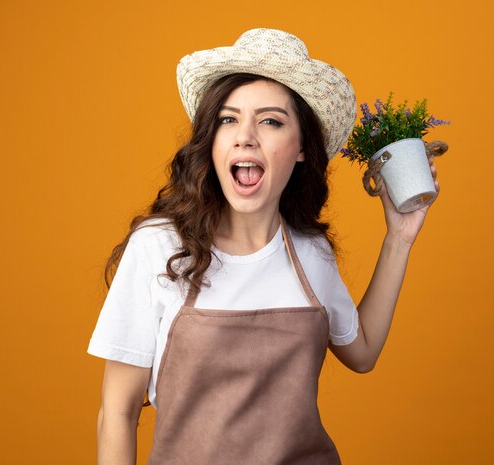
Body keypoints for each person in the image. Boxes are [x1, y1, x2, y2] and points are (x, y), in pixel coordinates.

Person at [87, 28, 440, 465]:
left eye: (270, 121)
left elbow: (362, 354)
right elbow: (117, 415)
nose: (245, 136)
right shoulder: (159, 247)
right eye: (228, 119)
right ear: (211, 140)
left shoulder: (311, 251)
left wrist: (399, 238)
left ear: (301, 150)